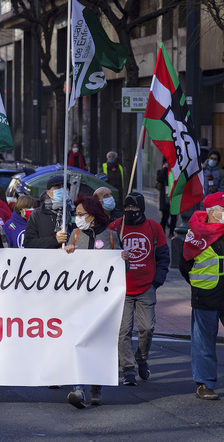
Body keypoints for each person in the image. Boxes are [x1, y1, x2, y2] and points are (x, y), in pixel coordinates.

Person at [63, 196, 126, 408]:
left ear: (93, 214)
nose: (77, 218)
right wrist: (67, 254)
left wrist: (123, 260)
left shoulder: (111, 236)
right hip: (79, 299)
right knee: (78, 341)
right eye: (76, 214)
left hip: (103, 302)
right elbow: (64, 268)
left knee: (99, 343)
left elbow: (121, 271)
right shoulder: (75, 234)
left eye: (81, 214)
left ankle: (96, 388)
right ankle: (78, 387)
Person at [110, 191, 170, 386]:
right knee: (123, 331)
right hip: (123, 289)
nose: (130, 211)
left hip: (146, 288)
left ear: (142, 209)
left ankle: (141, 358)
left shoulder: (154, 228)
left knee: (147, 328)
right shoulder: (116, 227)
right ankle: (128, 369)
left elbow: (163, 257)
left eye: (134, 207)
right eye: (127, 207)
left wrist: (156, 282)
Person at [180, 192, 224, 400]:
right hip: (206, 295)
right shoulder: (197, 234)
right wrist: (199, 285)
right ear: (213, 212)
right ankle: (204, 384)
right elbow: (184, 265)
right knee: (204, 342)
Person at [24, 175, 72, 249]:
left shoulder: (75, 213)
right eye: (57, 187)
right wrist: (54, 240)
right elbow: (28, 243)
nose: (62, 190)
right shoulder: (37, 215)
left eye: (65, 187)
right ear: (48, 192)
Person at [156, 158, 177, 237]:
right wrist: (165, 169)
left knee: (174, 216)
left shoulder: (175, 172)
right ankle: (162, 232)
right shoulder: (161, 171)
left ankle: (171, 233)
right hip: (164, 197)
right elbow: (159, 179)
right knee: (165, 216)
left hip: (173, 196)